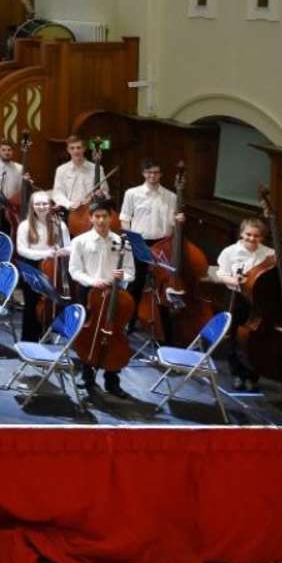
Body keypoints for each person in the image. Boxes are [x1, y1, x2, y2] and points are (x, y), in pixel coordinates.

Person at [68, 200, 134, 399]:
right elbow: (74, 270)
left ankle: (112, 380)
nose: (101, 220)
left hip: (116, 295)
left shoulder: (123, 243)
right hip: (90, 293)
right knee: (91, 333)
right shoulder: (80, 241)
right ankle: (87, 376)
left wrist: (124, 276)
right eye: (97, 216)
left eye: (105, 216)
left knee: (115, 333)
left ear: (111, 218)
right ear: (91, 218)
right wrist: (92, 281)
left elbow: (131, 272)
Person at [213, 217, 282, 392]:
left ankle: (253, 376)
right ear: (241, 234)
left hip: (260, 302)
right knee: (234, 336)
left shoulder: (269, 253)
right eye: (248, 235)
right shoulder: (230, 252)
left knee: (257, 339)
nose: (252, 239)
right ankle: (237, 374)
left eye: (257, 236)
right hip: (236, 297)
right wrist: (233, 280)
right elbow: (221, 274)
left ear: (262, 237)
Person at [119, 159, 182, 336]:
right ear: (143, 173)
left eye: (156, 172)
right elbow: (125, 217)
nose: (152, 176)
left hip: (163, 243)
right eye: (149, 172)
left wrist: (178, 221)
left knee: (162, 287)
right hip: (140, 242)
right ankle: (129, 322)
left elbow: (171, 223)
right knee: (136, 284)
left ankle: (162, 328)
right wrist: (130, 239)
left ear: (161, 174)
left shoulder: (171, 196)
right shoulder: (132, 193)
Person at [16, 190, 70, 343]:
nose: (41, 207)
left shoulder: (59, 224)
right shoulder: (24, 226)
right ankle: (29, 339)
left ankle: (50, 332)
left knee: (53, 301)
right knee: (32, 303)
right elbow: (21, 250)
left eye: (45, 203)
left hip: (53, 266)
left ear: (50, 205)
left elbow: (69, 246)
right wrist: (45, 254)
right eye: (37, 204)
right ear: (32, 206)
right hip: (32, 266)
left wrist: (63, 250)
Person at [52, 134, 101, 210]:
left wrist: (99, 194)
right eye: (72, 148)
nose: (76, 151)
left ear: (84, 149)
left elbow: (105, 192)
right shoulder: (61, 170)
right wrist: (69, 204)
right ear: (68, 150)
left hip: (91, 210)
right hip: (69, 210)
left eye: (78, 148)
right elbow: (57, 193)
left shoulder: (97, 169)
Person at [0, 139, 24, 207]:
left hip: (13, 207)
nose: (7, 152)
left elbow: (21, 190)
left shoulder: (20, 168)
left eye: (9, 150)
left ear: (12, 151)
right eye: (3, 150)